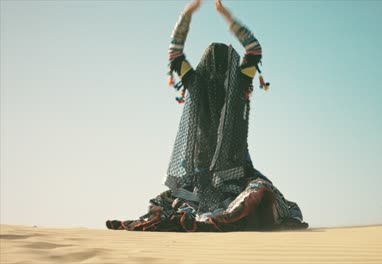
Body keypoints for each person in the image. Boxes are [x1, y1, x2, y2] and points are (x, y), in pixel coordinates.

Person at [106, 0, 308, 232]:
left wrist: (191, 16)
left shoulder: (206, 82)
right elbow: (253, 51)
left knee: (252, 191)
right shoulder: (231, 82)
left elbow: (175, 53)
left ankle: (208, 220)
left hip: (226, 172)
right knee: (256, 192)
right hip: (211, 174)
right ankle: (211, 221)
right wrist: (221, 15)